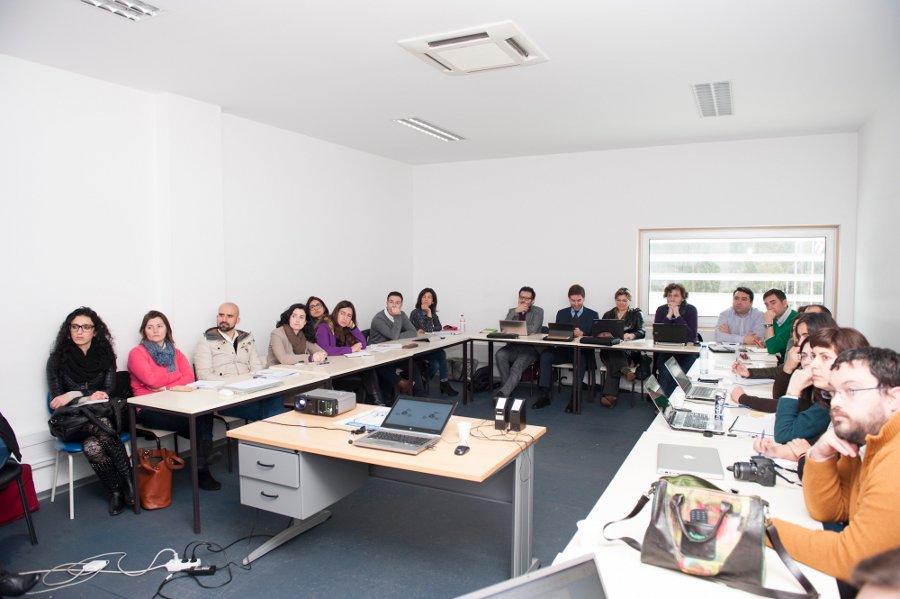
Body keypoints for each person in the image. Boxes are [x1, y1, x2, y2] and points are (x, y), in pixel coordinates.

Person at [771, 347, 900, 581]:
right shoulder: (866, 438)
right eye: (833, 392)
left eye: (851, 390)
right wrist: (820, 455)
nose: (836, 403)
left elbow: (855, 559)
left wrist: (760, 528)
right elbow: (830, 510)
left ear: (894, 398)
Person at [46, 307, 133, 515]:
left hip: (101, 414)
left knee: (92, 445)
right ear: (68, 330)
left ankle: (115, 492)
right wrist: (83, 395)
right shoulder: (57, 360)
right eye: (75, 327)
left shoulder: (105, 356)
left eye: (86, 327)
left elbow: (109, 390)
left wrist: (75, 394)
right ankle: (130, 485)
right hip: (73, 422)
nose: (80, 331)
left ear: (94, 331)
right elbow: (58, 400)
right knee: (103, 426)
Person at [128, 310, 222, 491]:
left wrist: (165, 385)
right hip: (149, 409)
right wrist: (175, 376)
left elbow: (189, 378)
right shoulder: (137, 353)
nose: (155, 330)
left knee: (203, 415)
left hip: (177, 404)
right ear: (144, 331)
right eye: (150, 327)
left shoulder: (175, 352)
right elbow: (151, 380)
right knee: (199, 423)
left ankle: (202, 461)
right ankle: (203, 466)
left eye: (159, 326)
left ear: (167, 329)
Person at [773, 327, 870, 444]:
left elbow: (784, 434)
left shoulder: (860, 411)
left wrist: (793, 391)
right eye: (815, 356)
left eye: (825, 357)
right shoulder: (828, 395)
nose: (813, 364)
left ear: (851, 362)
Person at [193, 302, 282, 421]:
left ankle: (273, 429)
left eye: (229, 316)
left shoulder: (247, 338)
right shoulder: (205, 341)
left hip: (250, 390)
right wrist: (231, 384)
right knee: (269, 411)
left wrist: (254, 384)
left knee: (275, 397)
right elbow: (203, 374)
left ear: (237, 320)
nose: (224, 319)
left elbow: (256, 366)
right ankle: (276, 430)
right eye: (221, 315)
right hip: (226, 397)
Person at [731, 311, 837, 411]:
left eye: (805, 336)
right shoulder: (806, 358)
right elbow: (780, 397)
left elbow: (788, 405)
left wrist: (744, 399)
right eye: (798, 336)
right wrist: (787, 368)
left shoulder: (826, 373)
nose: (799, 342)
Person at [534, 284, 600, 413]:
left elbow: (596, 336)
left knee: (580, 359)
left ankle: (575, 398)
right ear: (569, 299)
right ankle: (544, 395)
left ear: (584, 298)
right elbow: (557, 333)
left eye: (579, 300)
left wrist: (583, 334)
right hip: (563, 351)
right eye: (573, 300)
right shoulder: (562, 313)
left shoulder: (592, 314)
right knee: (545, 355)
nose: (576, 303)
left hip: (581, 352)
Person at [316, 300, 383, 404]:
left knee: (369, 371)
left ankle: (377, 403)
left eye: (349, 316)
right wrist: (350, 349)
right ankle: (376, 404)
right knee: (364, 380)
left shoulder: (346, 329)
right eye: (342, 313)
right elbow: (325, 350)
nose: (345, 318)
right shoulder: (324, 327)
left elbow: (363, 344)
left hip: (346, 368)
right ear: (336, 313)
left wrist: (353, 327)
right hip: (332, 374)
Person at [597, 287, 645, 408]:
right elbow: (599, 331)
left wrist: (632, 335)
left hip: (628, 353)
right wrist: (604, 334)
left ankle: (610, 396)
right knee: (614, 353)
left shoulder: (636, 314)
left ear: (629, 301)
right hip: (608, 352)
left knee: (615, 358)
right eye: (618, 300)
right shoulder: (608, 314)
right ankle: (625, 370)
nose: (621, 303)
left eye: (624, 300)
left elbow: (642, 331)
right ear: (615, 300)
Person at [494, 286, 544, 399]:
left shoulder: (538, 311)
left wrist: (513, 329)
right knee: (500, 354)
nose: (523, 301)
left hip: (530, 348)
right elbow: (505, 328)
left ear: (532, 301)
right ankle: (507, 390)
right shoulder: (512, 311)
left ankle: (503, 393)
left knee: (517, 366)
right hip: (513, 347)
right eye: (521, 297)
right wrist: (515, 312)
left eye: (527, 298)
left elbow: (533, 329)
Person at [409, 287, 458, 397]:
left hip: (429, 345)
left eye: (429, 297)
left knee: (441, 354)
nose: (426, 299)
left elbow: (438, 327)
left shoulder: (433, 313)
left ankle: (443, 382)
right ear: (420, 299)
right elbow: (427, 328)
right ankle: (423, 379)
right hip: (417, 347)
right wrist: (428, 313)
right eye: (424, 297)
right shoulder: (416, 313)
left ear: (433, 301)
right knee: (436, 364)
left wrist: (430, 317)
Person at [369, 291, 418, 398]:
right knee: (385, 368)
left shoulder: (402, 314)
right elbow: (394, 336)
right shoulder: (378, 319)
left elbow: (413, 332)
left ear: (401, 305)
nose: (394, 305)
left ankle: (420, 396)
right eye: (391, 302)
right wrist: (397, 317)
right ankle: (390, 396)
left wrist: (396, 334)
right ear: (386, 303)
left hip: (393, 352)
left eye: (397, 303)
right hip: (377, 354)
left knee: (412, 364)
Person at [653, 283, 698, 397]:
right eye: (669, 295)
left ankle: (667, 403)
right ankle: (663, 404)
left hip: (686, 353)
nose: (672, 298)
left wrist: (677, 315)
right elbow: (658, 335)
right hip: (667, 351)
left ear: (683, 298)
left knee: (678, 376)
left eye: (676, 295)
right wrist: (669, 315)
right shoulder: (661, 310)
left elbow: (691, 337)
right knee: (664, 372)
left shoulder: (691, 310)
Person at [762, 288, 797, 357]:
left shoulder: (794, 321)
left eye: (773, 303)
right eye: (767, 305)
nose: (769, 308)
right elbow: (774, 344)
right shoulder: (776, 317)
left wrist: (768, 322)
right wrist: (766, 344)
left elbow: (772, 349)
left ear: (784, 303)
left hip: (786, 362)